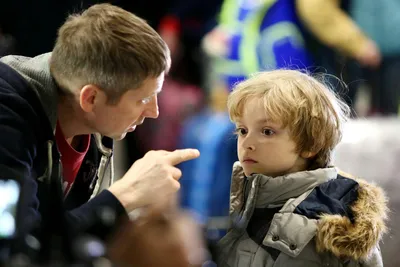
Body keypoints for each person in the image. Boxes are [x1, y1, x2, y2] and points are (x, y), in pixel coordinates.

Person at [0, 3, 200, 261]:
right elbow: (21, 247)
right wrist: (124, 195)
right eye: (143, 99)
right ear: (91, 98)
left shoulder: (94, 118)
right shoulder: (7, 118)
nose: (154, 112)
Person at [216, 69, 388, 267]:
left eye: (267, 131)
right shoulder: (244, 201)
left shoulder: (331, 219)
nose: (247, 143)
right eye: (243, 130)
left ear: (310, 144)